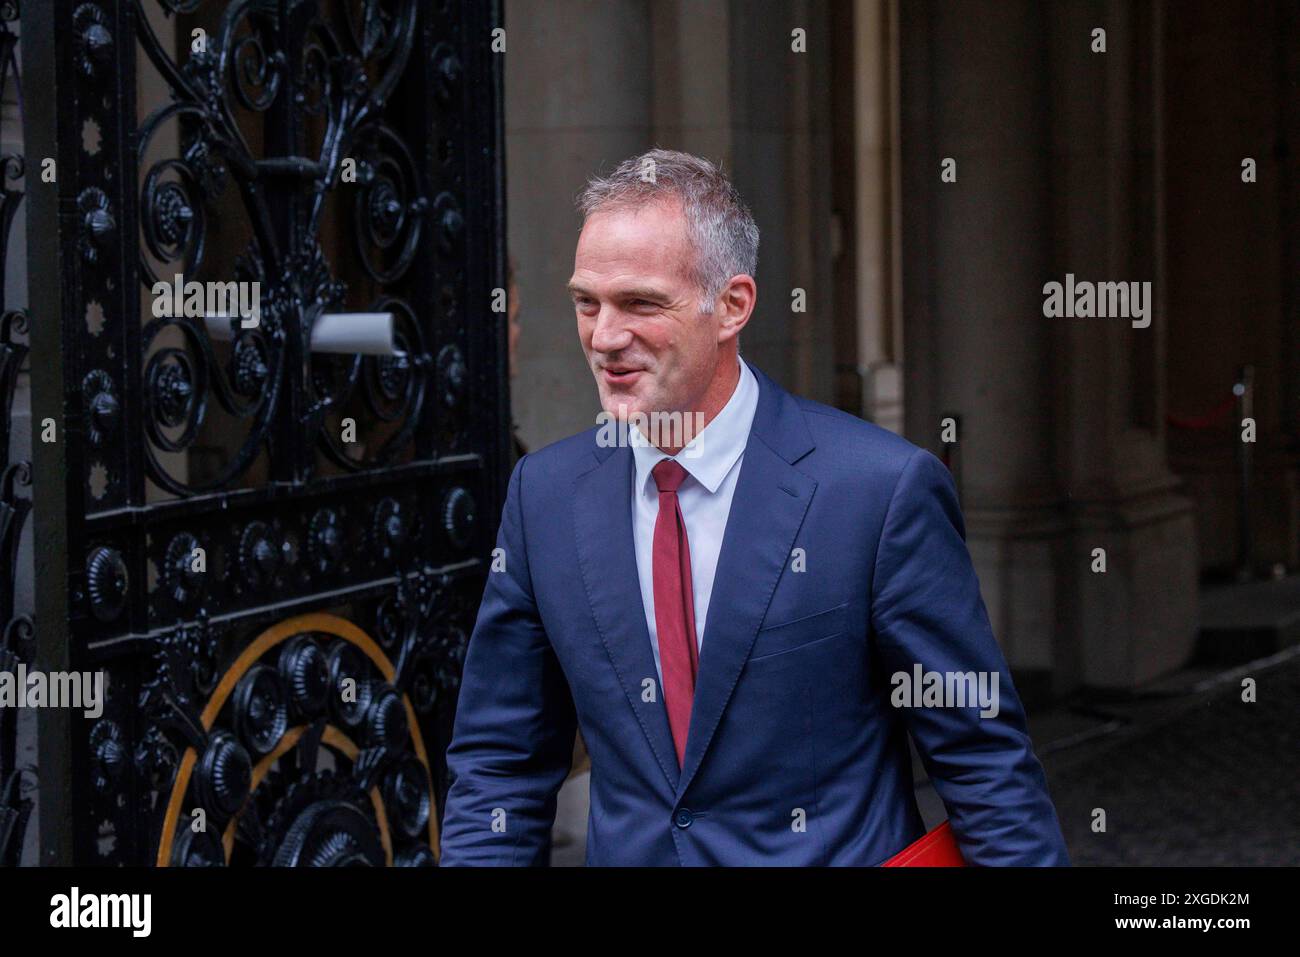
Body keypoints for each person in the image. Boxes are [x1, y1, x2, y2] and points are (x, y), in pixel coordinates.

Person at [440, 148, 1068, 866]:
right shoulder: (543, 497)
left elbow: (984, 762)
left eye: (641, 303)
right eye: (588, 302)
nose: (604, 337)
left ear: (733, 305)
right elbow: (500, 762)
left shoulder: (877, 491)